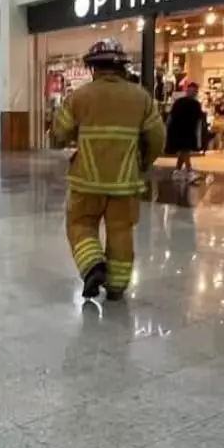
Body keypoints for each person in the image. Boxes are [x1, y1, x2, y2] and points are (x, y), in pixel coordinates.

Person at [52, 39, 166, 300]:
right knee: (121, 229)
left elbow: (59, 132)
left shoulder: (78, 97)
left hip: (86, 181)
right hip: (125, 182)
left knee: (80, 223)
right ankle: (116, 286)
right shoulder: (141, 97)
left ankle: (92, 265)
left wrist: (67, 138)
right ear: (121, 66)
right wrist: (143, 162)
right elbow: (158, 139)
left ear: (93, 68)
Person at [165, 83, 203, 181]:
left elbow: (198, 120)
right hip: (180, 130)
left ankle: (177, 171)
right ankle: (189, 171)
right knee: (185, 150)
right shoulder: (181, 102)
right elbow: (171, 116)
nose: (192, 93)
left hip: (187, 130)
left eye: (194, 91)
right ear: (187, 91)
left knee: (183, 150)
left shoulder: (195, 104)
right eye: (190, 91)